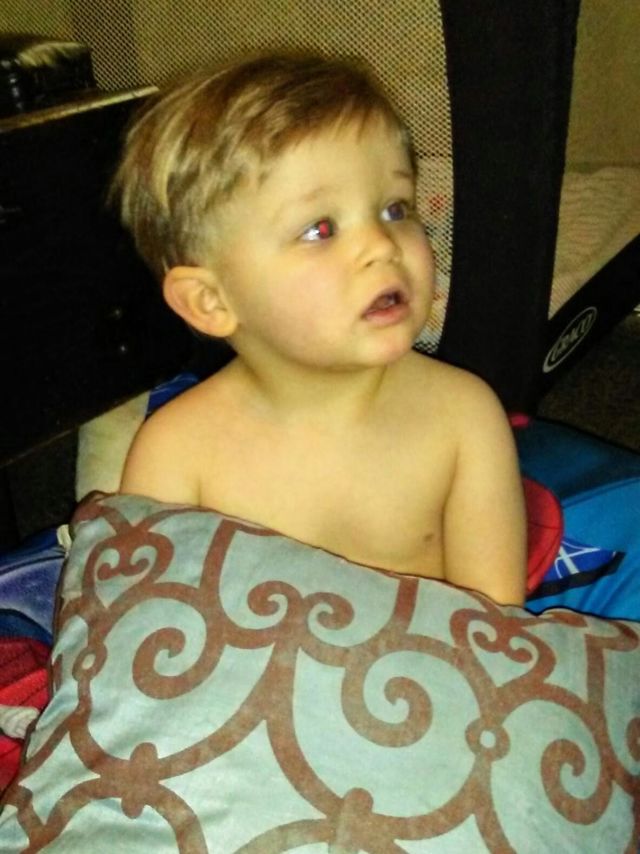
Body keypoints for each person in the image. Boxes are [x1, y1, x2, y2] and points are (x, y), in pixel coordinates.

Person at [112, 52, 527, 606]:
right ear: (211, 301)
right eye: (321, 229)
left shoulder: (463, 416)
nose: (381, 245)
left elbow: (495, 624)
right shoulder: (177, 453)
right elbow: (149, 623)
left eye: (395, 209)